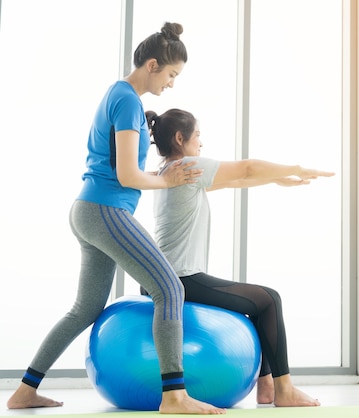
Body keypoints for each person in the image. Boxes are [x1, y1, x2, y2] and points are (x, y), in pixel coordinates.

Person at [7, 23, 226, 415]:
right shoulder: (126, 99)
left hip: (91, 210)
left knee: (85, 308)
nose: (172, 84)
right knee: (170, 290)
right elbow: (127, 176)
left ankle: (25, 390)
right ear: (153, 64)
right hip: (104, 210)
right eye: (171, 75)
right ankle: (174, 396)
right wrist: (167, 179)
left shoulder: (122, 98)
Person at [142, 108, 334, 407]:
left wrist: (276, 179)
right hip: (180, 278)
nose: (201, 144)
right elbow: (245, 169)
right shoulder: (188, 164)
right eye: (198, 136)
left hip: (167, 277)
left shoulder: (171, 170)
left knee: (260, 303)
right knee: (268, 300)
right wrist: (295, 167)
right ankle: (284, 390)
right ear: (181, 139)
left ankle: (268, 388)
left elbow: (235, 181)